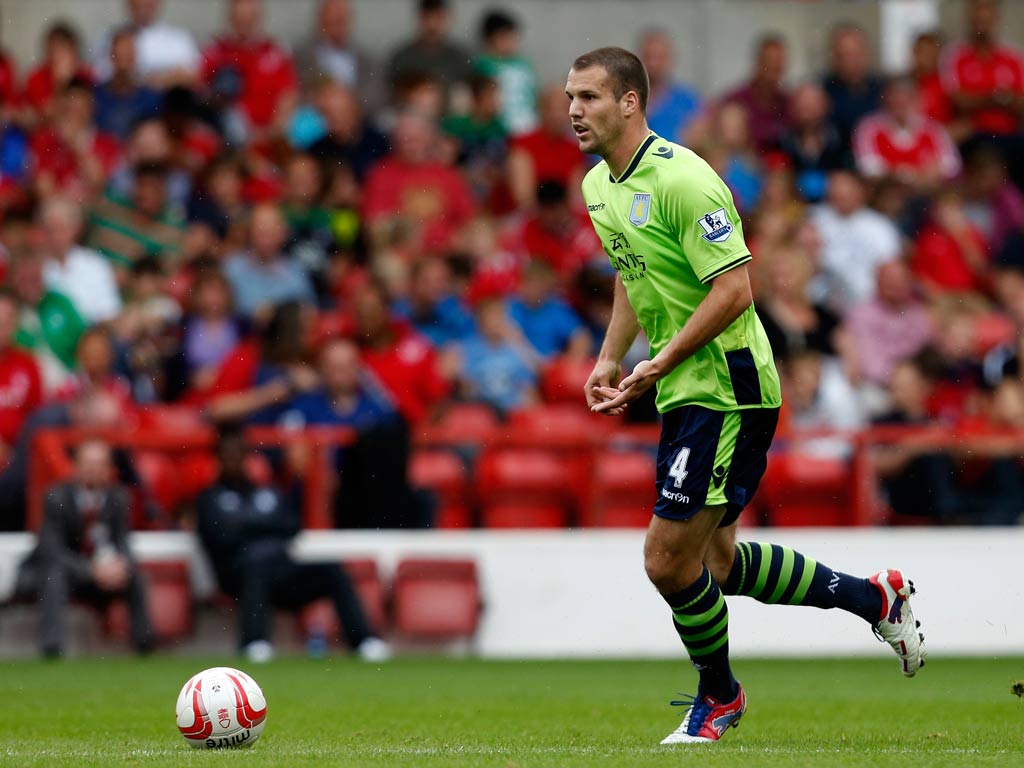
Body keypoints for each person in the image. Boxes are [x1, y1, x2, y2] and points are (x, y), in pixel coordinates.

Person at [566, 46, 924, 744]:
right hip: (682, 385)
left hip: (728, 385)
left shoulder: (686, 180)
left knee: (667, 559)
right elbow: (631, 271)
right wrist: (611, 355)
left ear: (631, 101)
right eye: (571, 98)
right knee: (720, 564)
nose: (575, 110)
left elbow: (736, 290)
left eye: (590, 97)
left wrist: (659, 358)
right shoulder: (596, 187)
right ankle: (873, 597)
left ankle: (720, 697)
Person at [196, 423, 391, 662]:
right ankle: (254, 642)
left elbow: (291, 527)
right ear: (219, 458)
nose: (234, 459)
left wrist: (244, 527)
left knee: (332, 570)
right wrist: (263, 528)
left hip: (282, 568)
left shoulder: (267, 492)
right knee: (257, 569)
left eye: (239, 453)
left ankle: (364, 641)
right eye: (228, 454)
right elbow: (218, 539)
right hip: (238, 575)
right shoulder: (209, 498)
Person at [14, 438, 154, 657]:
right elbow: (51, 550)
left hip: (100, 573)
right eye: (88, 464)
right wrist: (91, 570)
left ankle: (145, 645)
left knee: (135, 576)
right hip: (63, 572)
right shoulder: (56, 496)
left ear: (109, 469)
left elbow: (122, 541)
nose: (93, 470)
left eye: (99, 465)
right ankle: (52, 647)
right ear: (76, 466)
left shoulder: (118, 497)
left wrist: (120, 566)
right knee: (55, 575)